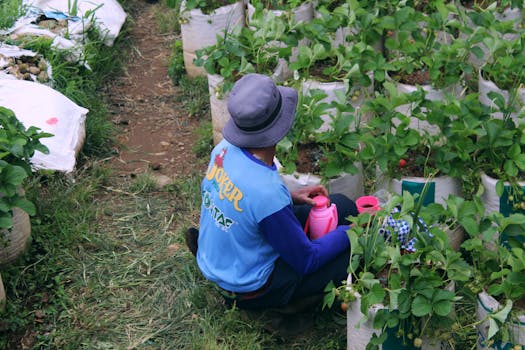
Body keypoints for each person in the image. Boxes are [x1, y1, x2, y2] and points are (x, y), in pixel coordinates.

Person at [185, 73, 358, 331]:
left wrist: (292, 196)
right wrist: (352, 233)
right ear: (279, 128)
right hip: (249, 286)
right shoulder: (267, 192)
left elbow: (244, 198)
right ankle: (276, 305)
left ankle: (228, 265)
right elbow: (306, 260)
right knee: (352, 253)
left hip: (222, 258)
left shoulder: (222, 150)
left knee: (342, 206)